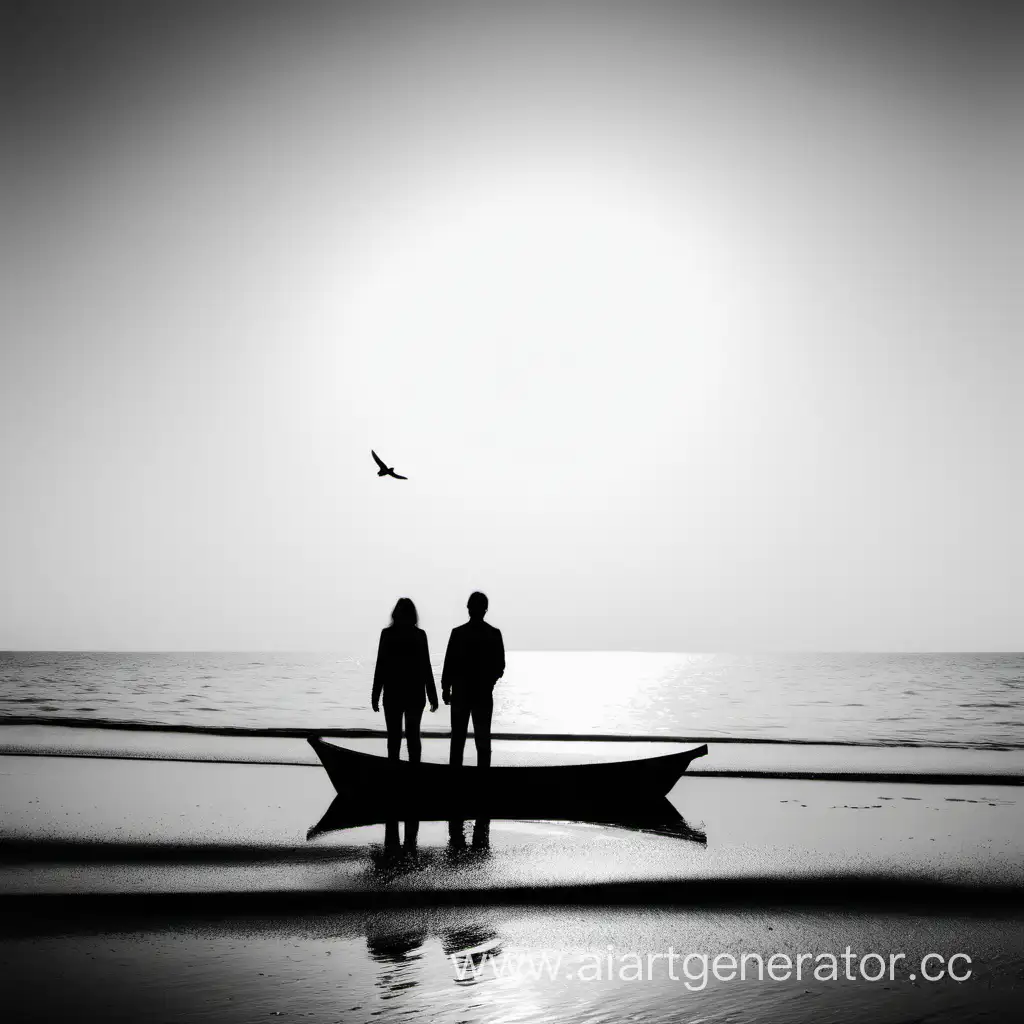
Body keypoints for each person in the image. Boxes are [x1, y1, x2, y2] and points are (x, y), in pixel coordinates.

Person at [441, 591, 504, 767]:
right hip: (482, 694)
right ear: (485, 609)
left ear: (468, 608)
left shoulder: (458, 633)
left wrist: (446, 688)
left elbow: (449, 665)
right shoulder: (493, 634)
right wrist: (488, 682)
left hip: (462, 693)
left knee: (458, 741)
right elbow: (500, 666)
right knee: (482, 741)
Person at [371, 598, 438, 762]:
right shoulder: (419, 635)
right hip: (414, 693)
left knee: (394, 738)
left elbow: (381, 666)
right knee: (413, 737)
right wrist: (432, 695)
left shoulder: (387, 635)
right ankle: (413, 773)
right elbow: (426, 667)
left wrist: (375, 694)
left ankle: (395, 774)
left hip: (393, 693)